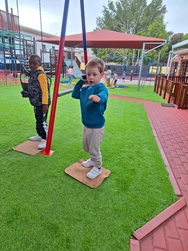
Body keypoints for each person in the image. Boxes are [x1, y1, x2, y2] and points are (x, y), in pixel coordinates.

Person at [72, 58, 108, 179]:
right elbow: (74, 94)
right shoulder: (85, 89)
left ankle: (97, 167)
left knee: (94, 149)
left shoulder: (100, 88)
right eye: (88, 74)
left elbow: (103, 94)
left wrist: (98, 98)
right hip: (86, 124)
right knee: (86, 147)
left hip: (97, 126)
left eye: (94, 74)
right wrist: (81, 81)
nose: (91, 77)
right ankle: (92, 160)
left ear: (101, 75)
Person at [28, 54, 51, 149]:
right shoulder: (33, 73)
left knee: (42, 121)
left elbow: (44, 90)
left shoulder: (40, 74)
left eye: (34, 63)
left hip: (42, 103)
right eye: (30, 63)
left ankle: (45, 139)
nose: (32, 65)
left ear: (39, 64)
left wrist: (45, 104)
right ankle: (40, 135)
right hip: (36, 102)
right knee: (38, 119)